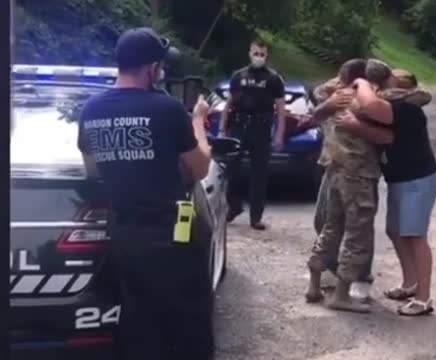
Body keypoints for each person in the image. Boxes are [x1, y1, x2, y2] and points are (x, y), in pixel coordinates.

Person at [77, 27, 214, 359]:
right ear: (152, 68)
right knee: (188, 326)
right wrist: (198, 120)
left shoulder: (91, 110)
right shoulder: (167, 109)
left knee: (138, 324)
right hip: (173, 239)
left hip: (125, 236)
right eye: (161, 66)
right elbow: (200, 168)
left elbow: (92, 168)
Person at [335, 68, 436, 316]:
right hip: (400, 179)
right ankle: (410, 283)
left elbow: (371, 110)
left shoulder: (407, 109)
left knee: (415, 235)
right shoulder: (394, 107)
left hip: (417, 180)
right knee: (395, 231)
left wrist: (360, 83)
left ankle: (424, 298)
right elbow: (381, 131)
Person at [305, 59, 396, 313]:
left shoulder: (335, 95)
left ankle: (314, 284)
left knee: (331, 227)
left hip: (335, 171)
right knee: (358, 234)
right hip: (358, 174)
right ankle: (341, 294)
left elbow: (320, 95)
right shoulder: (365, 100)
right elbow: (388, 125)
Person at [218, 39, 286, 230]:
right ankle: (234, 207)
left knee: (259, 174)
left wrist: (279, 134)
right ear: (249, 53)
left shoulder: (273, 78)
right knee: (230, 169)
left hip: (261, 128)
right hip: (239, 126)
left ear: (267, 56)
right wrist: (223, 128)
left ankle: (256, 216)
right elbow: (228, 104)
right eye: (256, 53)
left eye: (262, 54)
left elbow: (281, 109)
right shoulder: (238, 76)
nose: (259, 57)